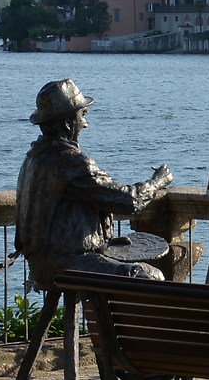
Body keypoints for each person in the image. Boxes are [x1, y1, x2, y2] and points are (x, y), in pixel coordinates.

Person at [15, 79, 173, 291]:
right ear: (68, 123)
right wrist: (157, 181)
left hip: (39, 265)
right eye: (83, 116)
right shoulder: (71, 163)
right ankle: (124, 325)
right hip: (68, 265)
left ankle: (106, 322)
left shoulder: (32, 160)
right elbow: (128, 200)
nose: (85, 124)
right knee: (150, 276)